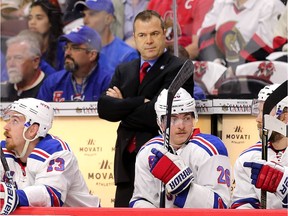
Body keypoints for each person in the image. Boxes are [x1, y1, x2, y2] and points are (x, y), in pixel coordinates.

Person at [97, 10, 194, 207]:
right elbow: (105, 109)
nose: (148, 40)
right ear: (134, 37)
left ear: (164, 34)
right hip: (125, 163)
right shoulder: (124, 69)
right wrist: (139, 102)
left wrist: (123, 107)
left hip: (161, 161)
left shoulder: (180, 67)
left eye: (154, 34)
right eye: (142, 35)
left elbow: (157, 115)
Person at [130, 88, 231, 208]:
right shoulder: (148, 152)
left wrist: (184, 189)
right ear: (160, 122)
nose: (181, 126)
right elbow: (141, 199)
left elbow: (221, 206)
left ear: (194, 118)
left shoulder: (211, 149)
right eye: (173, 119)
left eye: (186, 118)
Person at [0, 98, 100, 215]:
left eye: (15, 121)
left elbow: (50, 195)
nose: (6, 127)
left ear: (32, 129)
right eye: (8, 120)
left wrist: (13, 196)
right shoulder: (5, 150)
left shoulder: (56, 152)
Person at [231, 84, 288, 208]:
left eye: (264, 112)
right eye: (258, 111)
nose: (258, 119)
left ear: (284, 116)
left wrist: (285, 184)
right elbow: (243, 204)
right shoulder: (248, 158)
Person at [198, 0, 285, 72]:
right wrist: (216, 63)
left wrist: (234, 69)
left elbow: (263, 45)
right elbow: (205, 35)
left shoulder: (271, 4)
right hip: (220, 67)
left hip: (254, 72)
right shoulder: (221, 2)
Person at [37, 25, 112, 102]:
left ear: (92, 55)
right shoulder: (52, 82)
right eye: (66, 47)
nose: (67, 53)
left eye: (75, 48)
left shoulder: (108, 83)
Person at [74, 0, 139, 73]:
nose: (85, 21)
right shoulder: (79, 51)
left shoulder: (126, 55)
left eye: (92, 14)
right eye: (84, 15)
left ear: (108, 19)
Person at [147, 0, 214, 59]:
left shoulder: (202, 2)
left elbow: (196, 47)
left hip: (185, 62)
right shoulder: (155, 2)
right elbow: (140, 38)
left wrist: (168, 63)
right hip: (156, 60)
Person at [0, 32, 46, 102]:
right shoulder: (4, 90)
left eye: (18, 58)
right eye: (8, 59)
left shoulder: (49, 88)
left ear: (35, 61)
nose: (11, 64)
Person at [28, 0, 64, 70]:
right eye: (30, 18)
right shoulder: (24, 47)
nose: (32, 22)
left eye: (39, 18)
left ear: (51, 22)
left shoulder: (62, 48)